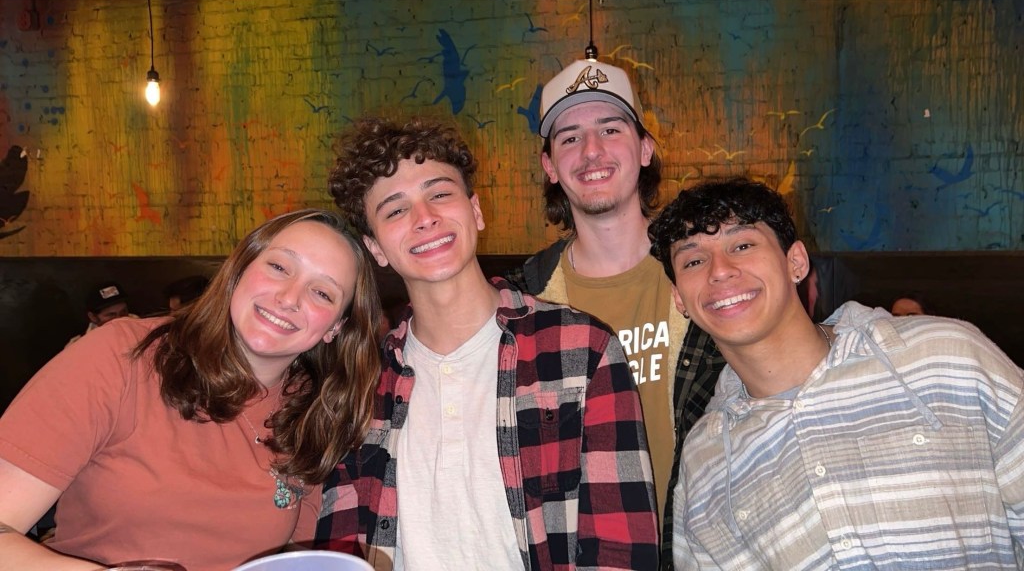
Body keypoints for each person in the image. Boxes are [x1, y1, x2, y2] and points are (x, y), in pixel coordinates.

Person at [316, 116, 659, 569]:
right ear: (375, 247)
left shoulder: (582, 348)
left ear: (475, 211)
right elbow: (338, 553)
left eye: (440, 194)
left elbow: (622, 553)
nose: (424, 218)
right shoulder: (360, 381)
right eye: (395, 210)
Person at [646, 177, 1024, 568]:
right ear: (680, 299)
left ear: (795, 262)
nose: (720, 271)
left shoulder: (941, 354)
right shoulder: (706, 462)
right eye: (693, 261)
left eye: (742, 245)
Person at [0, 209, 383, 571]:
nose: (289, 298)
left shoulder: (314, 413)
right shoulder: (123, 356)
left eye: (322, 293)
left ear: (336, 327)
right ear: (239, 269)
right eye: (279, 267)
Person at [503, 58, 725, 564]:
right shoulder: (522, 304)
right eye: (570, 137)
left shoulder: (708, 277)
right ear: (549, 166)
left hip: (699, 551)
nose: (591, 151)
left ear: (645, 149)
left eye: (610, 129)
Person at [65, 281, 134, 345]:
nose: (120, 319)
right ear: (93, 317)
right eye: (111, 315)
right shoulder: (78, 345)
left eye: (123, 312)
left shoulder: (138, 324)